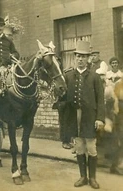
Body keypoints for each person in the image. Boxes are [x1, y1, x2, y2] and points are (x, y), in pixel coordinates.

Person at [64, 41, 105, 189]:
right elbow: (65, 99)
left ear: (88, 58)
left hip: (90, 118)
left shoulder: (94, 77)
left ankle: (93, 178)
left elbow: (101, 100)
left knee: (91, 147)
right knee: (79, 147)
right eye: (78, 56)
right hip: (75, 118)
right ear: (75, 58)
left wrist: (100, 118)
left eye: (83, 56)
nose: (80, 59)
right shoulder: (69, 76)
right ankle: (83, 177)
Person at [112, 77, 123, 175]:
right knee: (120, 140)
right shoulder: (118, 84)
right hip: (120, 114)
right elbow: (114, 98)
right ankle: (115, 165)